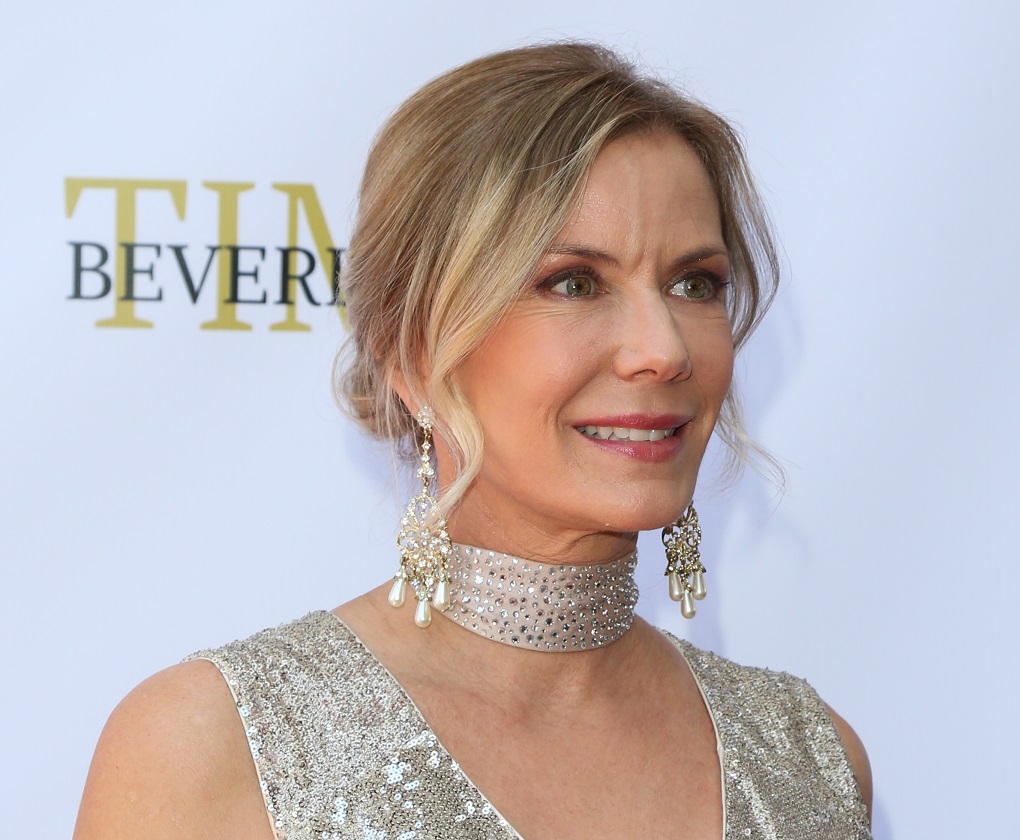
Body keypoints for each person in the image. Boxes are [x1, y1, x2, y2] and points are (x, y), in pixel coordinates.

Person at [73, 42, 872, 839]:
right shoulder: (215, 751)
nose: (663, 350)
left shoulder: (810, 760)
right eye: (574, 283)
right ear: (412, 352)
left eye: (694, 284)